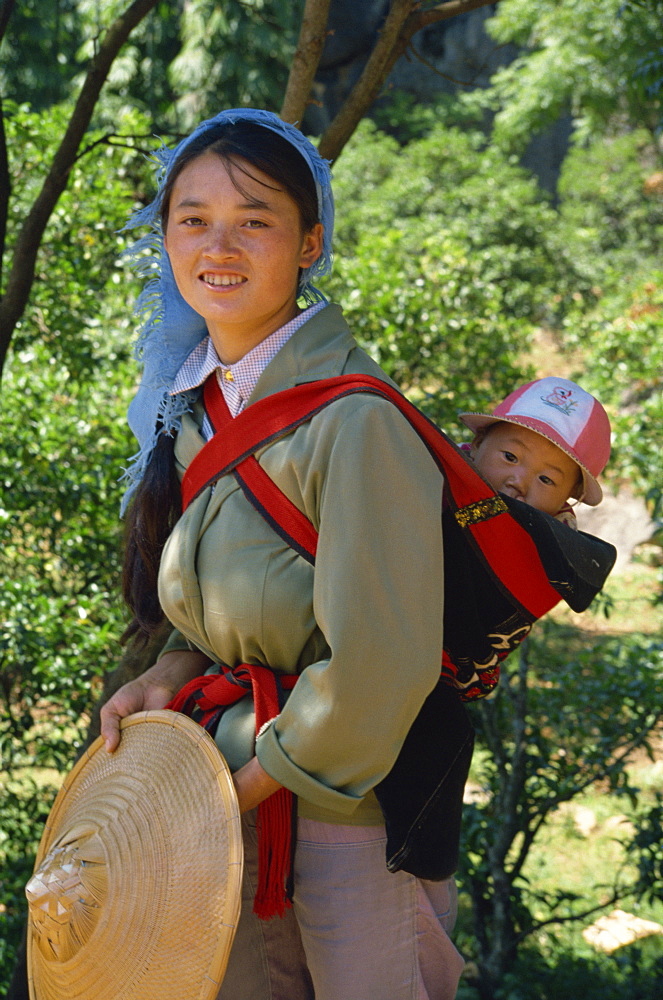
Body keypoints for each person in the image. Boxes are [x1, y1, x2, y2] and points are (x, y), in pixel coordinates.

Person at [100, 108, 465, 1000]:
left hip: (346, 820)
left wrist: (229, 795)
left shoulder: (355, 421)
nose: (216, 245)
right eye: (192, 219)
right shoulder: (193, 414)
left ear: (308, 244)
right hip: (239, 799)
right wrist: (168, 675)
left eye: (253, 219)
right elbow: (243, 614)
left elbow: (379, 666)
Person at [458, 376, 611, 529]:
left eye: (545, 479)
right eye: (510, 457)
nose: (519, 483)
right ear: (477, 444)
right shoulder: (442, 470)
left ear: (570, 494)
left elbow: (465, 521)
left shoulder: (552, 542)